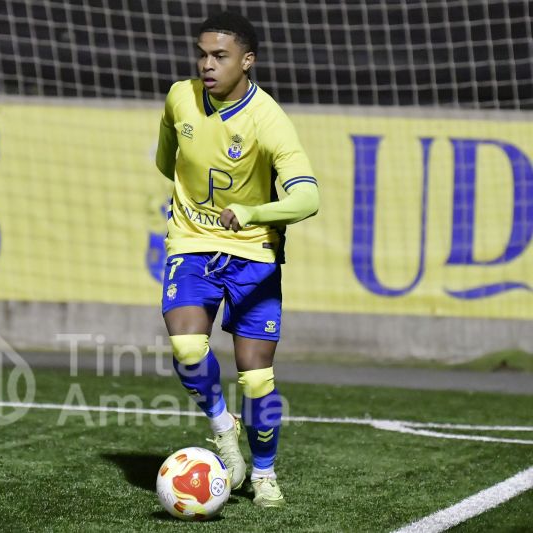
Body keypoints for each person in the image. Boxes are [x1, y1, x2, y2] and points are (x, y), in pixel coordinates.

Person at [155, 11, 319, 507]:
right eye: (201, 54)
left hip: (254, 251)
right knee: (186, 346)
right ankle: (223, 429)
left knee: (256, 376)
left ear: (247, 60)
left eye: (219, 56)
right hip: (192, 242)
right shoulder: (179, 97)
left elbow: (307, 197)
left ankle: (264, 474)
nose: (207, 64)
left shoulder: (269, 119)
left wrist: (253, 211)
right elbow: (167, 161)